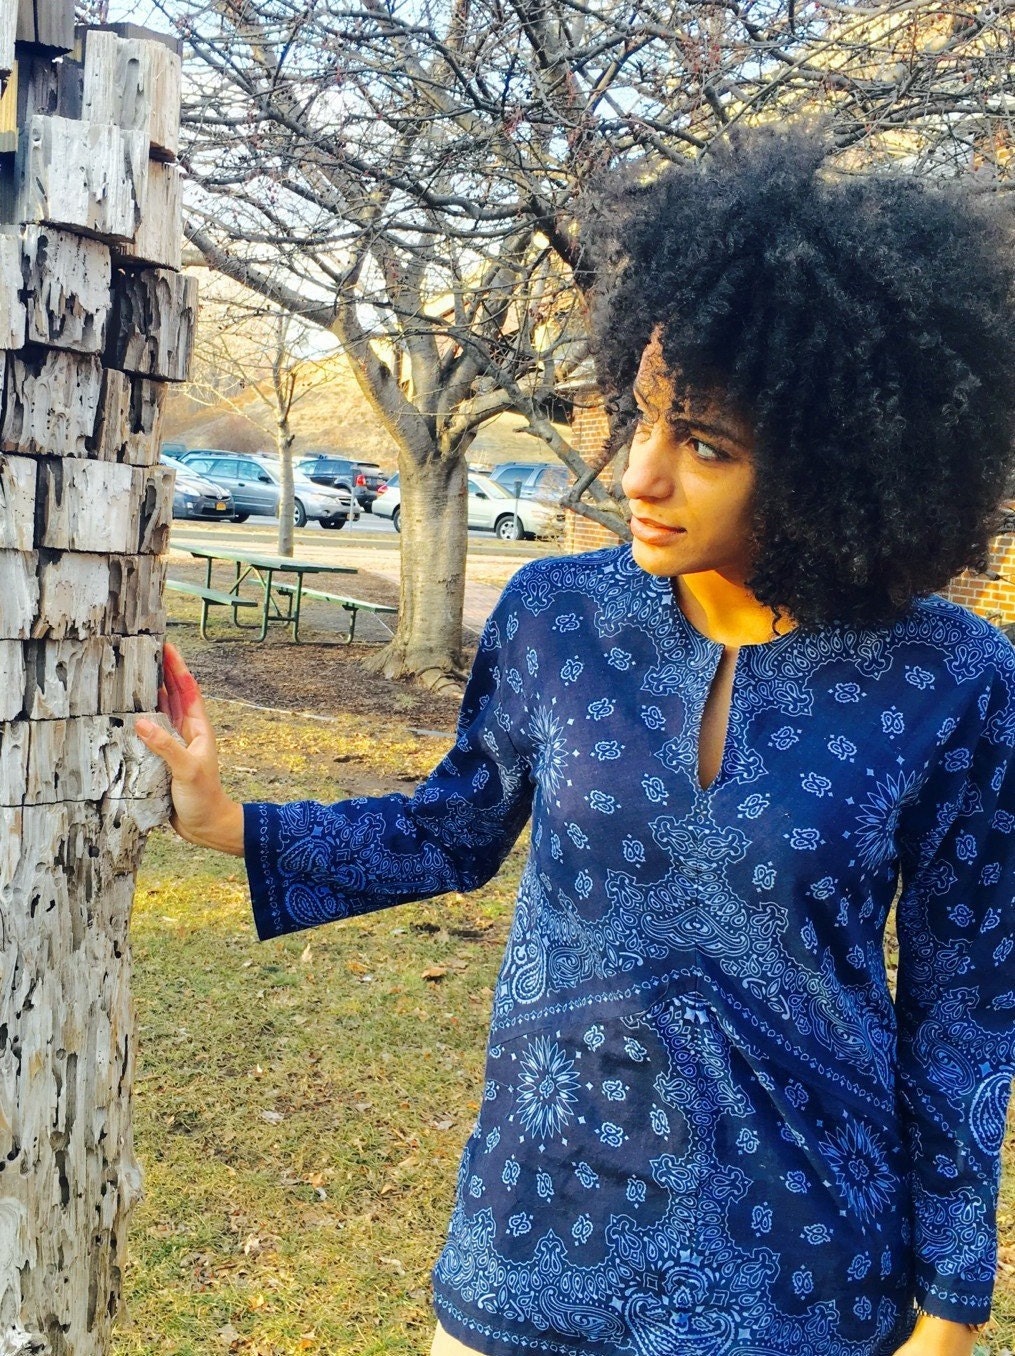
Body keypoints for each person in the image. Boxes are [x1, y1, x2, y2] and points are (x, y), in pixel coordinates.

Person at [138, 130, 1015, 1356]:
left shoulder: (950, 675)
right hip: (539, 1224)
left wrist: (951, 1303)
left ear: (838, 464)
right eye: (638, 418)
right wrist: (231, 822)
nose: (639, 475)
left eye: (705, 445)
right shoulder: (558, 618)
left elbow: (965, 1002)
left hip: (807, 1271)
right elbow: (453, 827)